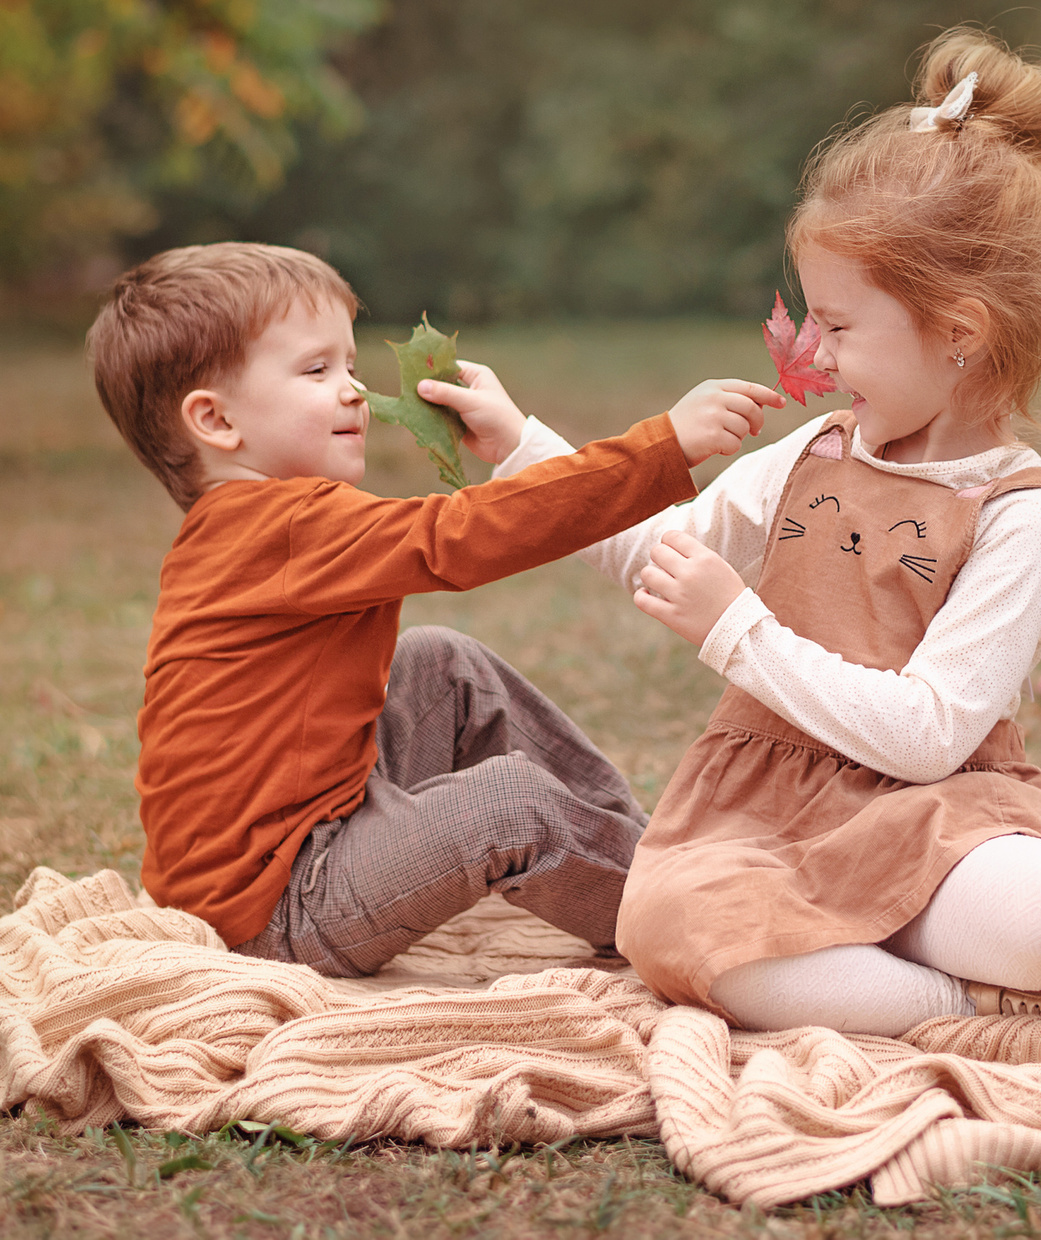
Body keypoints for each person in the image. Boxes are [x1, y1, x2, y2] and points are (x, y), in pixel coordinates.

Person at [486, 31, 1041, 1055]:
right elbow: (658, 551)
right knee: (665, 927)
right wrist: (518, 444)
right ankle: (979, 1012)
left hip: (935, 819)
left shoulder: (1017, 513)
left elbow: (928, 737)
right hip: (765, 819)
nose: (809, 354)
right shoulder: (811, 454)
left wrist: (738, 632)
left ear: (960, 330)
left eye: (839, 325)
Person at [85, 241, 784, 974]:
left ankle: (645, 854)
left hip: (319, 829)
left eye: (351, 366)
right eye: (317, 371)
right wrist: (659, 449)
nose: (354, 390)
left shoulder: (263, 524)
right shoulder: (275, 528)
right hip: (275, 911)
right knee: (507, 807)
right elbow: (461, 536)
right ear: (216, 421)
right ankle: (702, 927)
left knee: (442, 665)